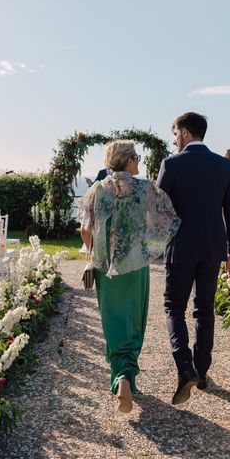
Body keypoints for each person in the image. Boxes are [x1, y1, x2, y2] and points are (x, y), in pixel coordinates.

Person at [79, 140, 180, 414]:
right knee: (134, 322)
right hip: (135, 266)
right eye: (136, 156)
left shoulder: (96, 190)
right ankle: (126, 376)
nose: (139, 161)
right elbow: (170, 221)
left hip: (105, 267)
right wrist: (149, 247)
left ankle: (119, 375)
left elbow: (85, 230)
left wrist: (93, 257)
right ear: (129, 160)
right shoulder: (146, 188)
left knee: (112, 322)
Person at [156, 112, 230, 405]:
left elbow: (158, 209)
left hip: (180, 246)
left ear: (186, 132)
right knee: (205, 309)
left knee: (173, 308)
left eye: (175, 132)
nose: (174, 138)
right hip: (213, 247)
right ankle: (202, 371)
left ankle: (185, 367)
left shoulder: (172, 163)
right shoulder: (223, 165)